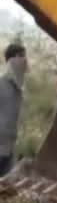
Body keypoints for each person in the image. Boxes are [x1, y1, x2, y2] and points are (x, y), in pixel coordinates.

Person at [0, 44, 27, 177]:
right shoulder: (1, 84)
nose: (24, 60)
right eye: (21, 56)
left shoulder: (19, 89)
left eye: (24, 56)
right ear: (11, 60)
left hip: (9, 149)